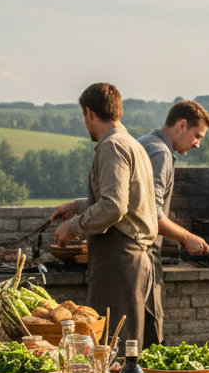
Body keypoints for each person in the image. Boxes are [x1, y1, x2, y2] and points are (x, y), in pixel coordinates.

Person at [51, 82, 158, 349]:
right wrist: (78, 205)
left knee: (115, 348)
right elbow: (125, 200)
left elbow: (114, 206)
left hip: (119, 260)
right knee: (125, 344)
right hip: (130, 258)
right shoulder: (131, 143)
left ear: (89, 113)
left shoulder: (112, 146)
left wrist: (73, 227)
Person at [138, 100, 209, 345]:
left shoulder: (144, 143)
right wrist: (186, 237)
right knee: (150, 336)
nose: (197, 144)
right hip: (142, 257)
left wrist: (77, 205)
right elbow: (151, 213)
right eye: (197, 135)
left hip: (128, 258)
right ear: (182, 124)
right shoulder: (160, 153)